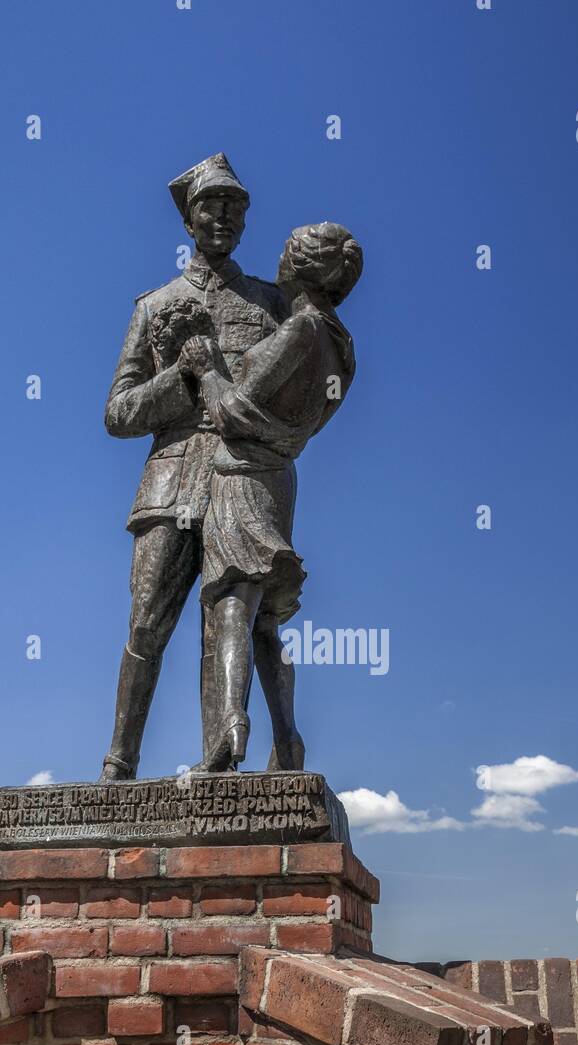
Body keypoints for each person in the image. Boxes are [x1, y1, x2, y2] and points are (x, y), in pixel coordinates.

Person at [99, 153, 285, 781]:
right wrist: (179, 375)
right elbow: (119, 413)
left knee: (229, 614)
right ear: (188, 218)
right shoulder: (155, 307)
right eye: (212, 203)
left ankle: (220, 767)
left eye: (236, 204)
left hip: (244, 476)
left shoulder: (271, 303)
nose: (225, 215)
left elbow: (308, 388)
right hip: (170, 478)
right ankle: (119, 762)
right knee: (147, 623)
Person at [179, 222, 363, 772]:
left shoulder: (302, 329)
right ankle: (287, 741)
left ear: (299, 268)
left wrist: (206, 368)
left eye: (285, 254)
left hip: (240, 473)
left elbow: (233, 409)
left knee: (231, 597)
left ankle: (231, 720)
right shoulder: (342, 347)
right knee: (264, 619)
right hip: (280, 477)